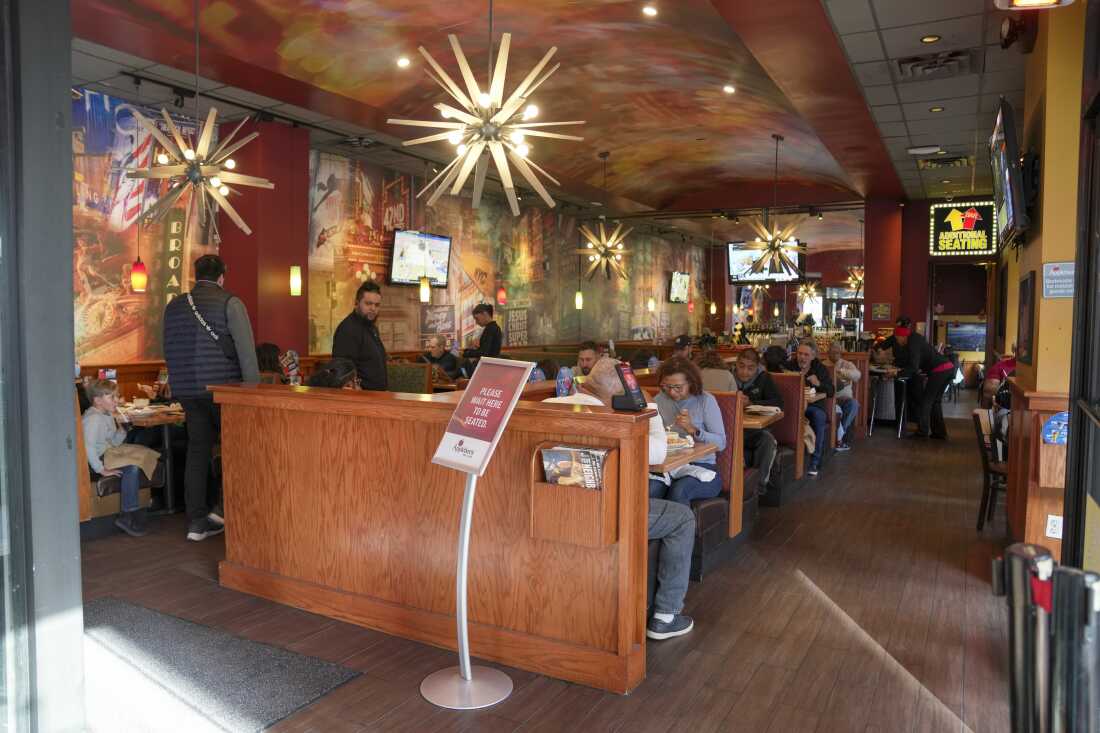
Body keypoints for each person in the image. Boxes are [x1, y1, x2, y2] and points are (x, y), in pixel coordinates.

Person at [543, 357, 695, 640]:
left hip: (548, 513)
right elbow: (658, 453)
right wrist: (646, 404)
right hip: (600, 513)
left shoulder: (547, 406)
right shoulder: (612, 421)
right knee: (682, 517)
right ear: (619, 394)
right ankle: (665, 615)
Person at [163, 254, 258, 541]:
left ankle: (196, 522)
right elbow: (246, 353)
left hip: (188, 390)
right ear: (222, 276)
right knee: (236, 449)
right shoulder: (231, 303)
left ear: (195, 275)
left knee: (197, 450)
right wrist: (252, 392)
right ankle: (226, 510)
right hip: (222, 390)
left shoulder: (174, 307)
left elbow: (166, 348)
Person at [653, 357, 727, 504]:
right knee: (650, 488)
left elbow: (721, 443)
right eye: (666, 386)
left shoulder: (705, 400)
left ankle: (680, 527)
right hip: (670, 467)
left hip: (703, 467)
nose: (672, 393)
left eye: (678, 387)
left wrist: (693, 429)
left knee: (680, 490)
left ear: (691, 383)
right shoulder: (659, 400)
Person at [82, 379, 149, 537]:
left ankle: (133, 511)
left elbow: (112, 442)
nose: (117, 400)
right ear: (98, 400)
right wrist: (101, 470)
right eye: (111, 397)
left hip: (108, 454)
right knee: (131, 466)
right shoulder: (93, 419)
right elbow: (88, 446)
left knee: (141, 454)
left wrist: (122, 431)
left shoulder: (106, 415)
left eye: (117, 396)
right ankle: (128, 514)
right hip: (97, 459)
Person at [733, 348, 783, 498]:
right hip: (733, 430)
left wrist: (752, 402)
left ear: (757, 367)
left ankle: (758, 488)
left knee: (768, 441)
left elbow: (778, 403)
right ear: (736, 364)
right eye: (741, 366)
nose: (745, 372)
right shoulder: (728, 378)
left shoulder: (765, 378)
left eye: (750, 368)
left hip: (756, 431)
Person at [784, 339, 834, 477]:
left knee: (819, 417)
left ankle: (815, 461)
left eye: (806, 355)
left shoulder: (820, 369)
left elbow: (831, 391)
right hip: (793, 404)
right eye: (800, 354)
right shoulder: (789, 366)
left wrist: (818, 383)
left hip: (814, 405)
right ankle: (789, 459)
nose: (802, 357)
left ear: (813, 356)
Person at [893, 325, 953, 439]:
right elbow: (915, 363)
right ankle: (939, 432)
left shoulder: (912, 343)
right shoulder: (915, 339)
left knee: (926, 401)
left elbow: (914, 366)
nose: (897, 341)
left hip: (940, 369)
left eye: (897, 338)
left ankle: (922, 432)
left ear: (902, 336)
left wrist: (897, 374)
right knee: (935, 402)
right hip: (948, 367)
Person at [333, 280, 388, 391]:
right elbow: (342, 371)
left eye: (377, 305)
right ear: (357, 303)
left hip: (379, 396)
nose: (373, 308)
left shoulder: (371, 327)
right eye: (368, 304)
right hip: (362, 399)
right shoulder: (348, 329)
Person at [826, 341, 861, 451]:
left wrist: (841, 371)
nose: (835, 354)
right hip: (830, 398)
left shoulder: (847, 364)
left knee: (854, 404)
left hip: (845, 399)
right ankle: (838, 438)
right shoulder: (823, 365)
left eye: (837, 352)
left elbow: (857, 375)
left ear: (841, 353)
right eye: (833, 352)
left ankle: (840, 434)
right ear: (828, 352)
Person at [462, 303, 502, 373]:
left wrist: (466, 353)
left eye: (477, 319)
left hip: (489, 367)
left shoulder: (491, 329)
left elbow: (484, 353)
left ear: (485, 314)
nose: (476, 322)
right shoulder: (491, 328)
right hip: (489, 365)